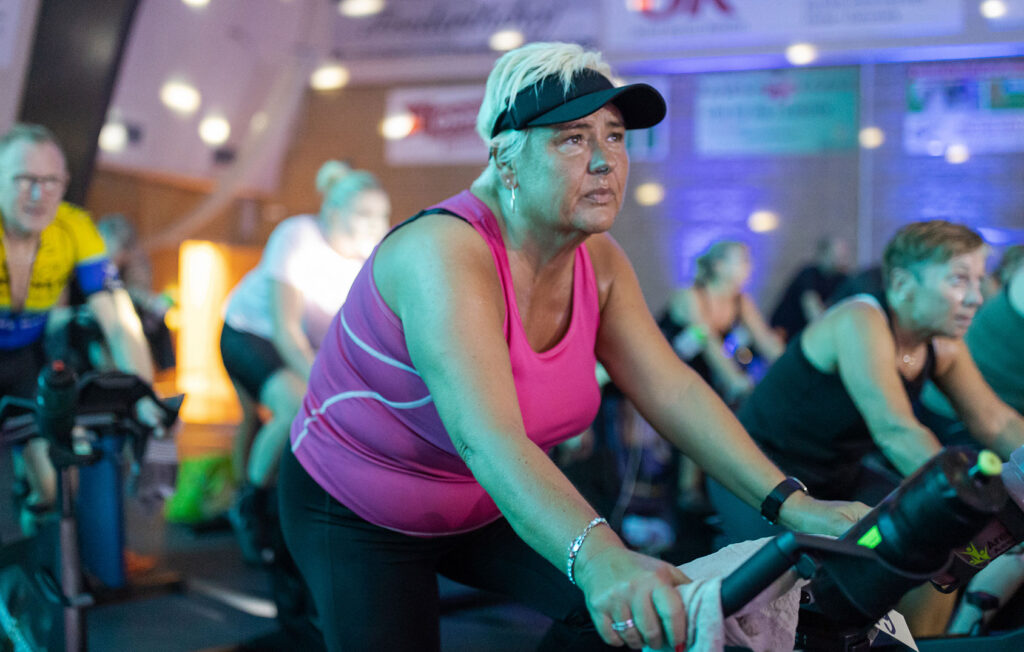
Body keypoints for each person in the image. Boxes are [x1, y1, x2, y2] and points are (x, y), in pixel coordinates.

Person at [278, 41, 867, 652]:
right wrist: (600, 557)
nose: (606, 160)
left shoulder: (600, 262)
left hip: (488, 504)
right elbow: (489, 437)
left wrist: (791, 506)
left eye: (614, 136)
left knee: (634, 624)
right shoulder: (442, 254)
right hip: (357, 506)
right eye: (572, 138)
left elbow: (672, 388)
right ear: (507, 159)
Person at [707, 220, 1024, 635]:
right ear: (902, 282)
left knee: (933, 539)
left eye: (979, 280)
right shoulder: (860, 319)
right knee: (785, 589)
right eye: (958, 280)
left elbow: (996, 421)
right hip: (759, 468)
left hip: (839, 475)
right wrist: (980, 501)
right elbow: (896, 431)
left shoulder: (941, 343)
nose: (976, 298)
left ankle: (924, 643)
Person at [219, 160, 389, 564]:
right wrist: (328, 384)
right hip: (249, 331)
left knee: (262, 420)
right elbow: (284, 328)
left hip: (299, 344)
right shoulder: (297, 235)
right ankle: (252, 507)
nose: (374, 225)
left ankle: (260, 494)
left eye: (381, 216)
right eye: (363, 215)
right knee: (295, 406)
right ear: (332, 213)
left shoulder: (373, 261)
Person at [0, 123, 161, 525]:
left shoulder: (75, 227)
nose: (38, 195)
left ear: (65, 183)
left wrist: (142, 392)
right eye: (24, 180)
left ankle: (29, 540)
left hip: (23, 357)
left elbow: (121, 322)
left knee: (54, 488)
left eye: (51, 181)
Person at [658, 240, 784, 407]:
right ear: (719, 266)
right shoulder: (691, 296)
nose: (750, 267)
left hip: (700, 378)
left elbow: (765, 340)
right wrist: (735, 380)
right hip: (665, 372)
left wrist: (793, 368)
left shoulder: (740, 300)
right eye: (743, 260)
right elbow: (708, 342)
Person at [769, 235, 851, 341]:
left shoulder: (842, 279)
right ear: (823, 254)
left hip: (806, 334)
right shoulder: (808, 274)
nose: (840, 259)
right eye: (836, 254)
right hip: (786, 332)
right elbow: (813, 313)